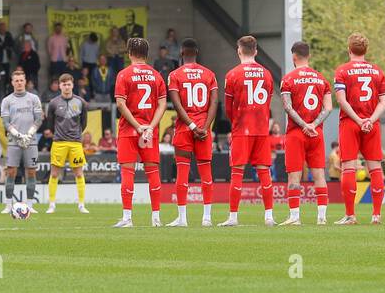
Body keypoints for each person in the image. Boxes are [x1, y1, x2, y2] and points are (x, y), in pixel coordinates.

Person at [332, 33, 385, 226]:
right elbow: (384, 101)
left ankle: (350, 215)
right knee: (375, 169)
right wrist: (370, 120)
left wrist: (357, 120)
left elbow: (341, 99)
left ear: (349, 49)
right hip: (371, 124)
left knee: (348, 167)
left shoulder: (342, 71)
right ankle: (376, 215)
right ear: (366, 50)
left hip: (350, 123)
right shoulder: (377, 71)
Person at [219, 35, 276, 227]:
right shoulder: (267, 74)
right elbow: (267, 103)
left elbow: (228, 107)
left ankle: (233, 217)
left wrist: (236, 122)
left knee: (237, 172)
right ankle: (269, 216)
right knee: (264, 171)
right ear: (256, 51)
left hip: (241, 128)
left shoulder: (232, 74)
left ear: (239, 51)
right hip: (261, 129)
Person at [112, 37, 167, 228]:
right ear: (147, 54)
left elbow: (120, 103)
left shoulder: (124, 75)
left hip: (129, 129)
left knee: (128, 172)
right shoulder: (156, 75)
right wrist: (150, 126)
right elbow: (162, 105)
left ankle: (127, 218)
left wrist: (136, 125)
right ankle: (156, 218)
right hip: (149, 131)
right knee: (152, 172)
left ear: (129, 53)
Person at [165, 37, 219, 227]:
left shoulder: (175, 75)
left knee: (182, 172)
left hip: (184, 129)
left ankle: (182, 218)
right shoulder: (209, 74)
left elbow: (176, 105)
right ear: (197, 53)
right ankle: (207, 218)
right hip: (204, 128)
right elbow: (214, 103)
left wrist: (191, 126)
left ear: (181, 53)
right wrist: (205, 126)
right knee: (206, 173)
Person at [279, 40, 332, 226]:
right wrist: (313, 125)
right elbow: (328, 108)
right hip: (316, 133)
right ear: (308, 56)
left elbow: (287, 107)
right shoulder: (321, 79)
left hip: (296, 133)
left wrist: (304, 125)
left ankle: (294, 217)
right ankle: (322, 217)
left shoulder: (288, 79)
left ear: (294, 57)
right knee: (319, 175)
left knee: (294, 176)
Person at [42, 74, 89, 214]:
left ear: (73, 85)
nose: (66, 87)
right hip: (59, 142)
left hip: (75, 143)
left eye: (69, 84)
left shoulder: (81, 102)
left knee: (79, 174)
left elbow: (84, 123)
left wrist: (76, 133)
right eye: (64, 84)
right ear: (60, 85)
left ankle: (81, 204)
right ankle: (51, 204)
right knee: (55, 173)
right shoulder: (53, 103)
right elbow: (50, 123)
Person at [1, 69, 44, 214]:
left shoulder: (34, 98)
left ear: (25, 82)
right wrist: (18, 134)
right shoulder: (7, 100)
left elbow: (39, 119)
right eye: (16, 80)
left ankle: (30, 205)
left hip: (30, 141)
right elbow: (5, 122)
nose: (19, 83)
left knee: (31, 172)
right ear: (12, 82)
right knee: (11, 172)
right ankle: (8, 205)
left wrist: (30, 133)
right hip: (14, 140)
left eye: (21, 80)